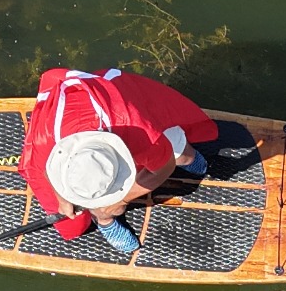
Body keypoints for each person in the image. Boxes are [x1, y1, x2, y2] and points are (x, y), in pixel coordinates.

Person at [20, 66, 219, 255]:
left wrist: (120, 200)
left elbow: (165, 165)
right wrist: (63, 199)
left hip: (133, 108)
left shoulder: (142, 135)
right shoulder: (46, 140)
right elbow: (48, 169)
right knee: (89, 212)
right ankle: (104, 219)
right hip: (84, 112)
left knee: (183, 156)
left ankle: (104, 212)